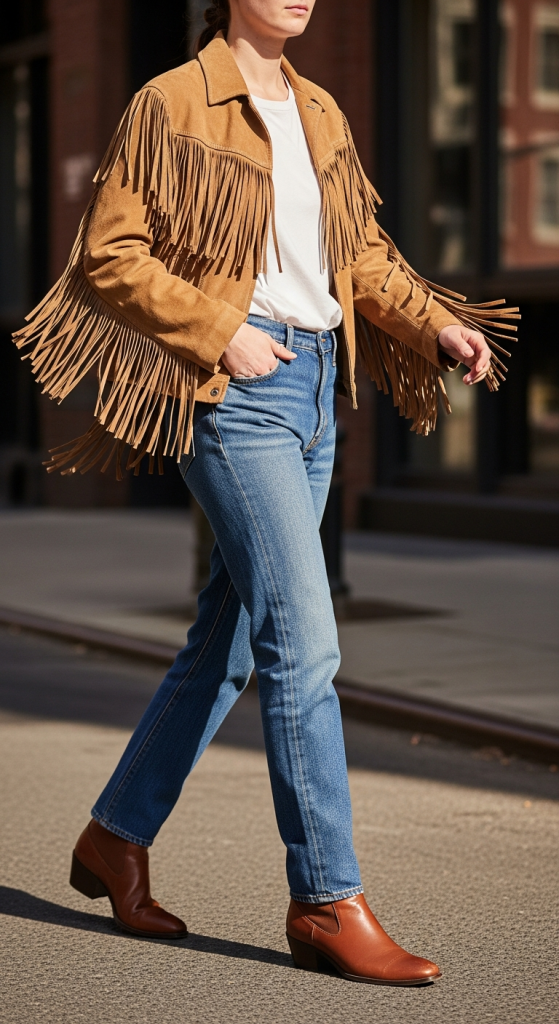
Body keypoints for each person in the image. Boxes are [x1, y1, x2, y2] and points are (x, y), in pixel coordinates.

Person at [14, 0, 517, 986]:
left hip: (318, 392)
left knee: (232, 638)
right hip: (232, 391)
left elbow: (359, 256)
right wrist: (218, 329)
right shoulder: (172, 101)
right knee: (306, 636)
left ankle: (113, 837)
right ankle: (326, 897)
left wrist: (436, 327)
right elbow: (111, 253)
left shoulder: (321, 109)